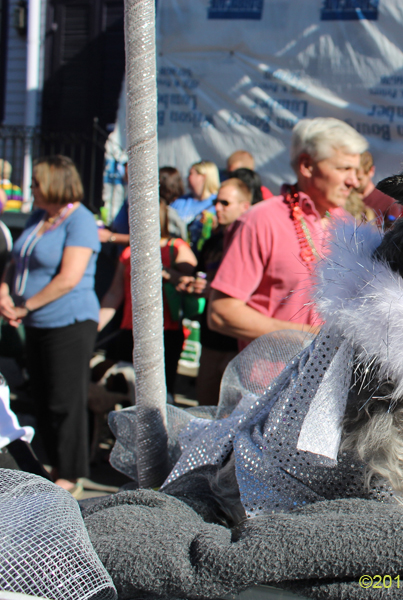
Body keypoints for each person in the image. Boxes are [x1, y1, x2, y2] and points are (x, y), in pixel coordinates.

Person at [208, 117, 366, 347]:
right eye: (343, 168)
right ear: (306, 165)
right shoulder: (260, 221)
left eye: (355, 170)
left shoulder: (349, 225)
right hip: (273, 369)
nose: (353, 181)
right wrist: (309, 337)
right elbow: (222, 312)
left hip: (333, 370)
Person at [0, 155, 99, 495]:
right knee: (41, 397)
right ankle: (53, 464)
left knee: (64, 400)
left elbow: (68, 278)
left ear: (56, 184)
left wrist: (24, 306)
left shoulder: (80, 220)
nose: (31, 189)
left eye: (37, 183)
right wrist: (5, 291)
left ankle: (70, 473)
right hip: (35, 322)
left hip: (68, 322)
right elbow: (16, 261)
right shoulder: (39, 216)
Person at [98, 193, 198, 393]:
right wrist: (95, 325)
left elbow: (192, 281)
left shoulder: (176, 247)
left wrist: (165, 272)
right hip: (130, 330)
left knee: (160, 393)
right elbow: (114, 294)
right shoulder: (129, 252)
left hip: (164, 332)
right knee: (124, 391)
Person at [180, 179, 252, 405]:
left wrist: (215, 290)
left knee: (236, 412)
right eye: (216, 202)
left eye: (225, 203)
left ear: (245, 206)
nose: (217, 208)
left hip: (240, 345)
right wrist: (194, 286)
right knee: (206, 407)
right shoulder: (212, 242)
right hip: (210, 340)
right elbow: (201, 276)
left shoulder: (252, 243)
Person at [353, 151, 403, 227]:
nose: (355, 183)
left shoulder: (388, 202)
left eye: (359, 179)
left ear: (371, 171)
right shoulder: (346, 198)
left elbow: (395, 230)